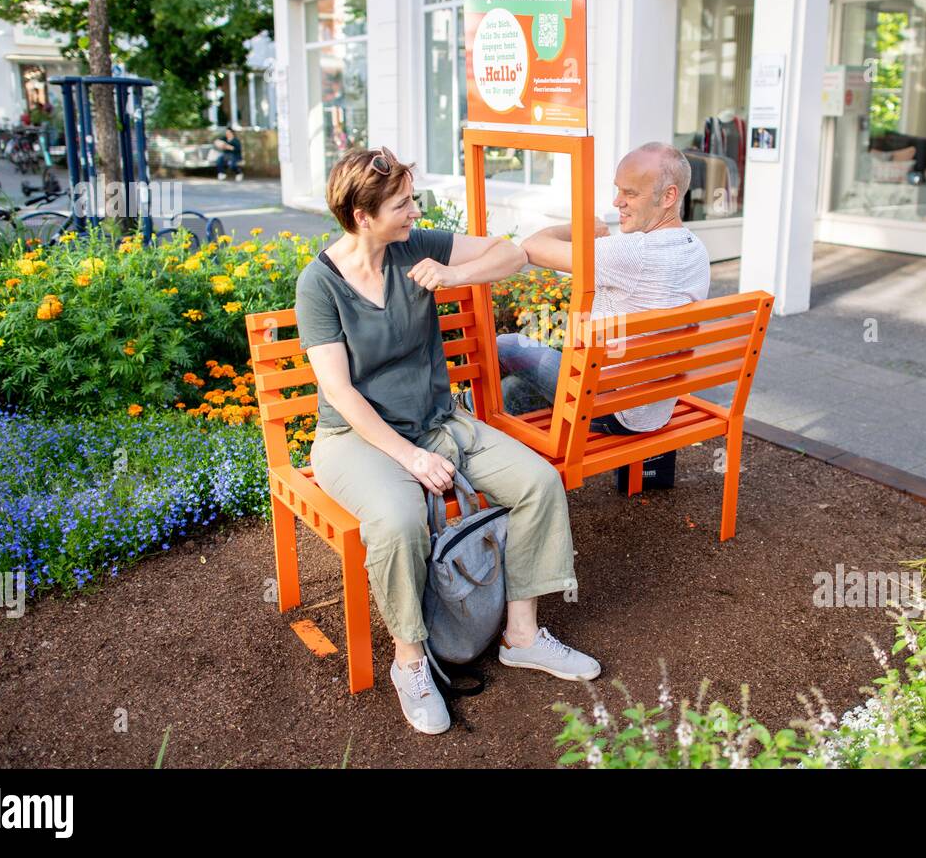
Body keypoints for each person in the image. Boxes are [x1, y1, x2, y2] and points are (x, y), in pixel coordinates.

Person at [294, 146, 600, 736]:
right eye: (403, 203)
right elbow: (342, 393)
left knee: (538, 482)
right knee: (398, 520)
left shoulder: (414, 246)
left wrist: (455, 275)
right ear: (363, 215)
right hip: (357, 440)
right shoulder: (319, 285)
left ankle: (521, 636)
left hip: (440, 421)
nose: (415, 210)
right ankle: (410, 662)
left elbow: (511, 251)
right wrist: (409, 457)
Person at [504, 141, 710, 435]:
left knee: (507, 344)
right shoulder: (696, 250)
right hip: (655, 407)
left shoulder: (633, 252)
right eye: (618, 189)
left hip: (610, 405)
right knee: (513, 387)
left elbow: (531, 247)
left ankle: (458, 425)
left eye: (630, 193)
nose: (617, 202)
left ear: (669, 196)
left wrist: (581, 227)